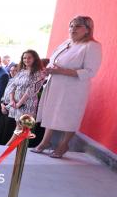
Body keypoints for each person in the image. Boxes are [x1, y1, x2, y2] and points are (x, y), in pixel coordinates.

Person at [32, 16, 102, 158]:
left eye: (77, 26)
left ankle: (63, 145)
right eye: (71, 26)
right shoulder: (66, 43)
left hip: (74, 88)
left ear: (87, 30)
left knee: (70, 116)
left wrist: (60, 71)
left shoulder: (92, 46)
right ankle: (45, 142)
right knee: (50, 112)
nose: (72, 29)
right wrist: (49, 69)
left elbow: (90, 71)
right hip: (56, 84)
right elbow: (54, 62)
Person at [5, 50, 45, 144]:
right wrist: (12, 100)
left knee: (22, 127)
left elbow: (31, 90)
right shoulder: (21, 71)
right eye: (24, 58)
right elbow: (12, 85)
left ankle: (7, 147)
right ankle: (14, 148)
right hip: (16, 102)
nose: (26, 60)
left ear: (35, 59)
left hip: (27, 103)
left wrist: (19, 103)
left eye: (29, 57)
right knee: (18, 126)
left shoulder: (39, 73)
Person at [0, 64, 18, 145]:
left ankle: (5, 147)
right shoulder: (10, 80)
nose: (12, 72)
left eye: (15, 70)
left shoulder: (19, 83)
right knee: (0, 128)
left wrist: (6, 107)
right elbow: (3, 95)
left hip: (11, 108)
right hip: (4, 106)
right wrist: (2, 105)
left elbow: (16, 98)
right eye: (11, 70)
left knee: (8, 129)